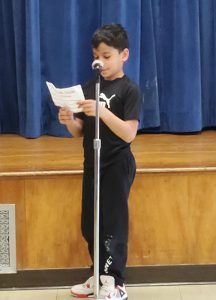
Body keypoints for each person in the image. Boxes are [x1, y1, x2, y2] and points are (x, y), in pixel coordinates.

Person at [58, 23, 141, 300]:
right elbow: (80, 131)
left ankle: (115, 281)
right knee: (90, 222)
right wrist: (70, 120)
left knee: (112, 225)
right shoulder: (89, 86)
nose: (100, 61)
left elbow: (129, 133)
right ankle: (99, 275)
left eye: (107, 56)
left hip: (117, 164)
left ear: (124, 55)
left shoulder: (129, 90)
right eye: (97, 55)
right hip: (92, 163)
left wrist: (103, 112)